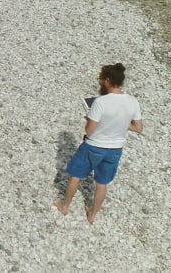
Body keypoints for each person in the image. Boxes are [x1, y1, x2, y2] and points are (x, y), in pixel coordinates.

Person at [55, 63, 144, 224]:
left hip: (94, 146)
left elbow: (89, 131)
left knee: (76, 176)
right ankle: (92, 215)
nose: (100, 82)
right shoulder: (133, 101)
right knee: (102, 183)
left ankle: (64, 205)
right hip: (115, 149)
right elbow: (138, 127)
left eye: (101, 79)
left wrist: (89, 119)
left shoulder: (100, 102)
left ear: (107, 81)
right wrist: (122, 124)